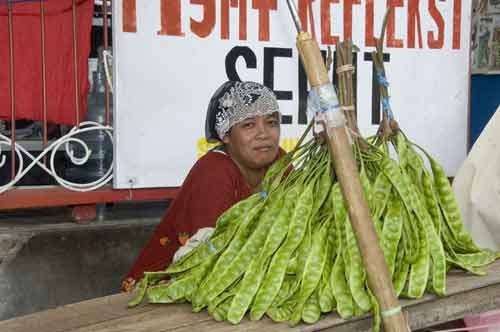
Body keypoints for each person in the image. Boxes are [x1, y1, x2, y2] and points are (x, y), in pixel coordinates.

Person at [122, 81, 283, 291]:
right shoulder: (213, 173)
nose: (264, 134)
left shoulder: (280, 162)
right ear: (226, 135)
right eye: (248, 125)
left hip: (243, 278)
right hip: (171, 286)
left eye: (271, 123)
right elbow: (210, 258)